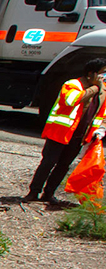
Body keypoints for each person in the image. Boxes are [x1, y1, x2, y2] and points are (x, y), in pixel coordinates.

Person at [28, 58, 106, 204]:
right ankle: (33, 192)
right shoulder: (73, 84)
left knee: (64, 165)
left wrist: (99, 131)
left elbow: (103, 114)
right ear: (91, 74)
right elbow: (71, 100)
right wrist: (95, 88)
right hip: (60, 132)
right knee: (48, 162)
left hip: (79, 136)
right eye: (102, 73)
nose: (104, 77)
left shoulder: (103, 91)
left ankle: (49, 193)